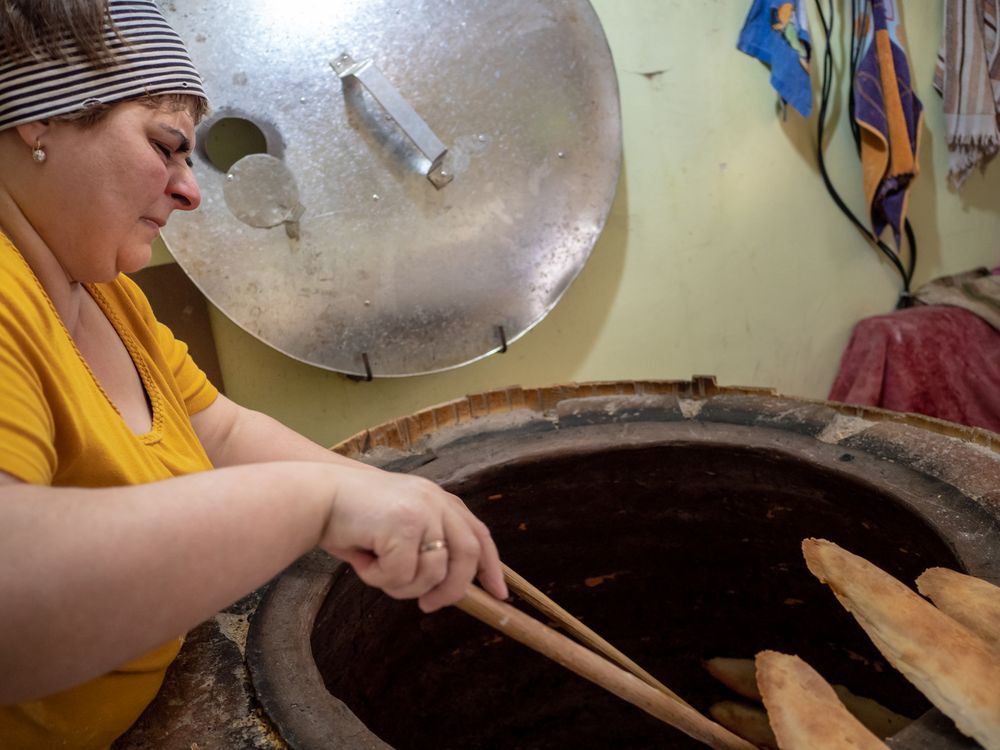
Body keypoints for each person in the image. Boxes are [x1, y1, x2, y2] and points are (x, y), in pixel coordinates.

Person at [0, 2, 508, 747]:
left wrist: (386, 489)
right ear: (37, 120)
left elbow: (219, 429)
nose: (190, 190)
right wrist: (315, 501)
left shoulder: (107, 297)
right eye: (166, 146)